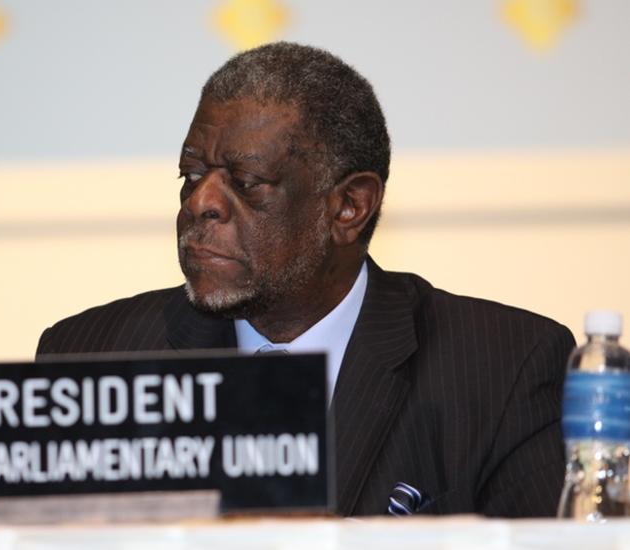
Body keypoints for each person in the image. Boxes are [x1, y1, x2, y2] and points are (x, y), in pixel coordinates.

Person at [37, 42, 575, 517]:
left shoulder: (505, 368)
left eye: (246, 183)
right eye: (193, 176)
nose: (200, 204)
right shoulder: (88, 356)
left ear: (348, 207)